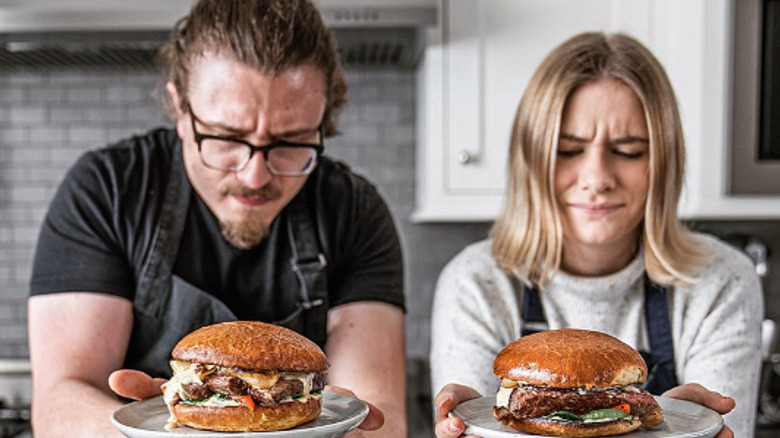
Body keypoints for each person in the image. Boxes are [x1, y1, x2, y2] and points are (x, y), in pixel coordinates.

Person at [27, 1, 406, 437]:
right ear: (180, 110)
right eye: (226, 138)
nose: (255, 174)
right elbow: (60, 403)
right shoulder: (107, 189)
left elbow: (379, 412)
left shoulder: (354, 210)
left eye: (291, 142)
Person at [430, 32, 762, 438]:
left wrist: (686, 428)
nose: (597, 179)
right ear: (531, 159)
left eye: (627, 151)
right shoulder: (475, 282)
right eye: (569, 150)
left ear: (663, 161)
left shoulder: (721, 280)